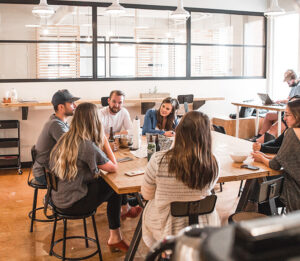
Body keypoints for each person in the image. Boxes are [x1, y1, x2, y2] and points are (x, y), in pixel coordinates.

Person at [49, 102, 129, 252]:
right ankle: (116, 235)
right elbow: (113, 166)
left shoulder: (66, 138)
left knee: (107, 184)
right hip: (73, 203)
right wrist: (105, 140)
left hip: (58, 198)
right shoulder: (87, 146)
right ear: (94, 121)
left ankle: (125, 211)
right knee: (114, 187)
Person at [141, 111, 220, 247]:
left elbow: (147, 195)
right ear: (207, 135)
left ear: (179, 131)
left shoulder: (159, 159)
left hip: (168, 226)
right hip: (204, 224)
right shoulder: (213, 162)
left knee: (150, 206)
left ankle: (164, 251)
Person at [252, 99, 300, 212]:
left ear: (297, 116)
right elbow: (289, 158)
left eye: (287, 115)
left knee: (262, 194)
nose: (284, 118)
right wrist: (266, 156)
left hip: (295, 192)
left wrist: (261, 158)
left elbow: (275, 165)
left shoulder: (292, 133)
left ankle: (268, 226)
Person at [32, 89, 79, 185]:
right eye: (71, 103)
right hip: (45, 175)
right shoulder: (56, 125)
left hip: (50, 170)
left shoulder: (60, 122)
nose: (75, 106)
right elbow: (73, 147)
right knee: (87, 179)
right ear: (61, 107)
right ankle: (54, 198)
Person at [250, 70, 300, 143]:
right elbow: (289, 99)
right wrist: (280, 101)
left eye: (288, 81)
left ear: (294, 79)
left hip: (294, 114)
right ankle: (259, 136)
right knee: (269, 116)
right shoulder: (293, 87)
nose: (287, 83)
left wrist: (283, 101)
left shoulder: (298, 87)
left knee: (274, 127)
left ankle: (258, 142)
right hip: (288, 112)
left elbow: (294, 101)